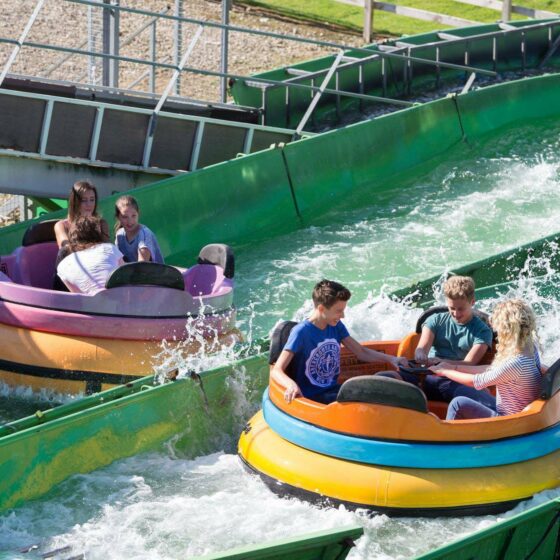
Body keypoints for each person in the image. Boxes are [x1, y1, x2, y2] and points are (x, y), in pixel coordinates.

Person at [271, 279, 408, 404]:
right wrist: (291, 385)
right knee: (372, 397)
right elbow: (276, 370)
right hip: (315, 398)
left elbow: (360, 352)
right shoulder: (300, 332)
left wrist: (392, 359)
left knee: (388, 379)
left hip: (335, 390)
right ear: (321, 309)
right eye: (338, 311)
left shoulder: (335, 326)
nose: (342, 316)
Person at [431, 299, 548, 420]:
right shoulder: (528, 348)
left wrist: (445, 372)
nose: (497, 333)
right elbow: (492, 369)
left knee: (458, 404)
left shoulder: (516, 363)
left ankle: (449, 438)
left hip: (509, 419)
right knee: (474, 394)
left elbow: (476, 382)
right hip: (512, 411)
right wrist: (453, 367)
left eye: (499, 329)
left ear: (507, 330)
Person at [401, 275, 495, 405]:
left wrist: (442, 363)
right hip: (426, 376)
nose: (456, 314)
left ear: (472, 302)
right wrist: (420, 354)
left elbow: (469, 364)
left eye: (461, 309)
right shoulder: (435, 320)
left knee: (480, 399)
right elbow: (422, 347)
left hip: (455, 381)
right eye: (452, 308)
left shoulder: (483, 331)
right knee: (389, 377)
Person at [57, 215, 124, 294]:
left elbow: (78, 296)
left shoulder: (62, 266)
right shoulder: (109, 248)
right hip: (119, 300)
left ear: (72, 237)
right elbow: (126, 275)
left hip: (90, 304)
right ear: (97, 234)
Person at [54, 180, 110, 249]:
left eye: (92, 200)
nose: (89, 204)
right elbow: (66, 249)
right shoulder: (61, 225)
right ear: (74, 202)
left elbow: (108, 249)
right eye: (84, 200)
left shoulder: (102, 224)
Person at [114, 195, 164, 264]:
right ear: (118, 217)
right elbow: (118, 261)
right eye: (125, 217)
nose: (130, 221)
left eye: (133, 216)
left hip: (153, 274)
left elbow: (142, 266)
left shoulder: (144, 234)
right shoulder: (119, 235)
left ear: (139, 214)